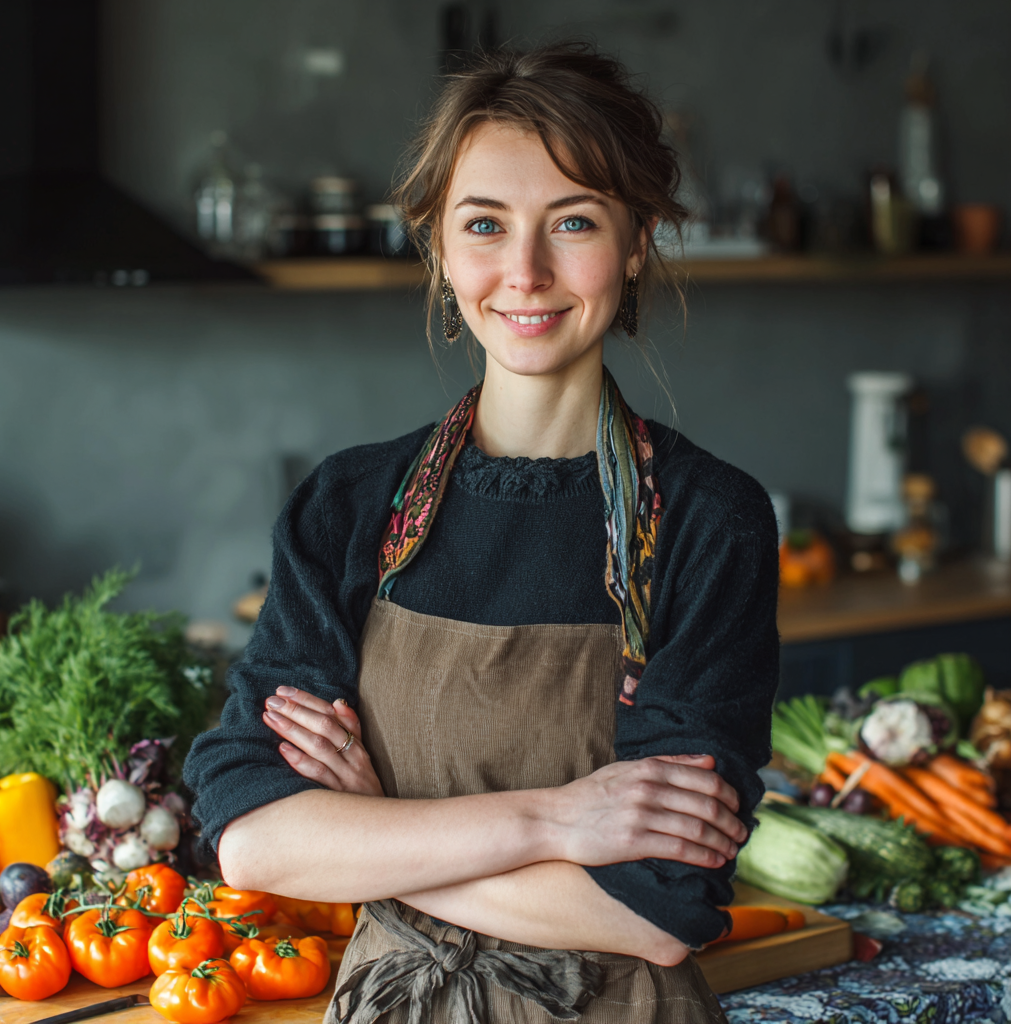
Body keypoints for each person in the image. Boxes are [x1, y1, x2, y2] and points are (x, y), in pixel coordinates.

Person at [184, 42, 779, 1024]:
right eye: (485, 225)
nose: (525, 272)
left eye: (574, 222)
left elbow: (656, 909)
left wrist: (372, 835)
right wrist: (557, 820)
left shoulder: (709, 522)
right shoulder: (348, 507)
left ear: (637, 242)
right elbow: (250, 837)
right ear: (438, 246)